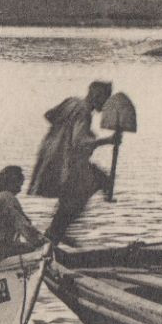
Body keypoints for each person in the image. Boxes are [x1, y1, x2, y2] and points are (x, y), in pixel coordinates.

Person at [30, 81, 116, 244]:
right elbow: (79, 143)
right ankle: (55, 233)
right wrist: (106, 140)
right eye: (104, 100)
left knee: (73, 194)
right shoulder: (84, 112)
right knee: (94, 183)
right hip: (65, 161)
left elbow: (49, 115)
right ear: (96, 96)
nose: (104, 106)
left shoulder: (72, 102)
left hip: (51, 156)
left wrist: (63, 130)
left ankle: (56, 232)